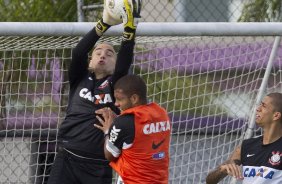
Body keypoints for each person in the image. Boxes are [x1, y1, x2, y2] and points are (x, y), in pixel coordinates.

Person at [47, 0, 141, 183]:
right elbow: (79, 52)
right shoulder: (79, 78)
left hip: (98, 166)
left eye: (109, 53)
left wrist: (129, 30)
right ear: (91, 61)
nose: (103, 55)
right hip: (67, 158)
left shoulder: (117, 84)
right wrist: (104, 23)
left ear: (115, 64)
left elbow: (124, 63)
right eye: (98, 52)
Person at [94, 74, 171, 184]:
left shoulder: (124, 122)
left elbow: (110, 155)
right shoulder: (162, 113)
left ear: (134, 98)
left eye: (120, 99)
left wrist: (108, 130)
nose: (116, 104)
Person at [206, 92, 282, 184]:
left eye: (264, 106)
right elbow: (210, 181)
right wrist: (221, 170)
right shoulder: (247, 146)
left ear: (276, 115)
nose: (258, 109)